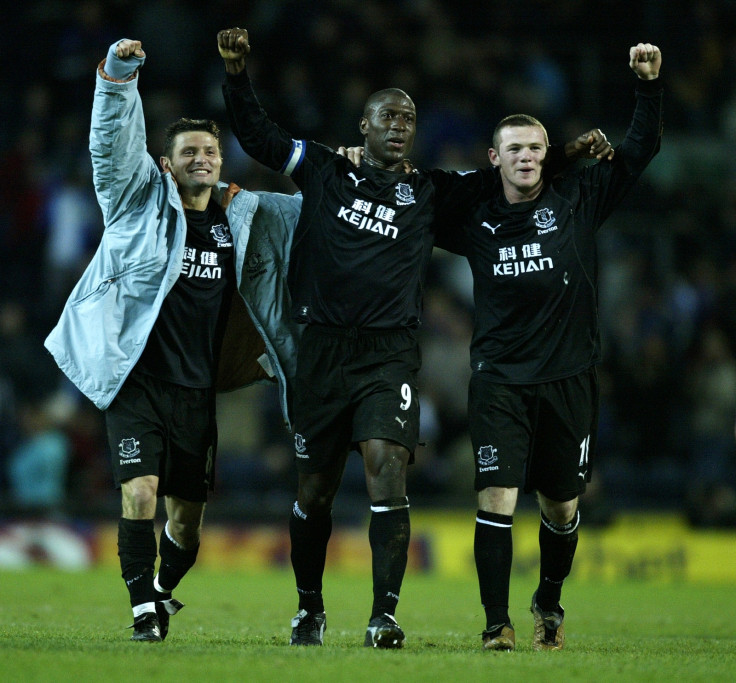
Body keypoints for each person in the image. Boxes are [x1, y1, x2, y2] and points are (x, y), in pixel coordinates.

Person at [216, 26, 613, 649]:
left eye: (408, 117)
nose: (400, 125)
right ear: (364, 125)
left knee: (387, 469)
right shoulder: (323, 167)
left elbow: (511, 171)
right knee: (314, 490)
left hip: (389, 354)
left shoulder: (429, 191)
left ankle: (384, 615)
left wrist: (565, 152)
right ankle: (310, 608)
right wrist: (237, 76)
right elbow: (260, 138)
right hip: (322, 348)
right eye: (387, 117)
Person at [44, 39, 303, 642]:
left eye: (210, 151)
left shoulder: (244, 217)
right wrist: (117, 75)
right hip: (136, 380)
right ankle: (141, 612)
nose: (202, 159)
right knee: (140, 493)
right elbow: (111, 146)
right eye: (189, 151)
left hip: (196, 388)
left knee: (186, 525)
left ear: (222, 161)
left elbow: (316, 208)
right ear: (167, 163)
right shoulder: (136, 203)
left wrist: (357, 176)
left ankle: (161, 592)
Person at [435, 43, 662, 651]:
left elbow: (638, 152)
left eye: (536, 148)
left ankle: (548, 602)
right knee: (497, 500)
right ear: (495, 159)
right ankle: (495, 623)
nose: (527, 158)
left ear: (546, 156)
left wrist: (647, 87)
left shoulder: (579, 201)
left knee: (561, 508)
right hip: (500, 381)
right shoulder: (474, 219)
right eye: (515, 149)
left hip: (569, 378)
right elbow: (414, 205)